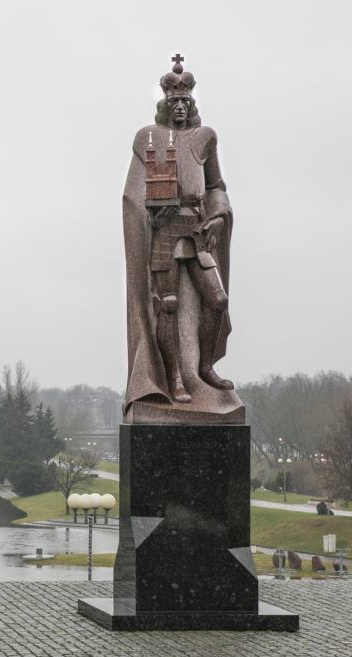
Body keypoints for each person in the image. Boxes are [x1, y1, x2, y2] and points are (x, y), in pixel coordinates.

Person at [122, 54, 242, 423]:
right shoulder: (148, 137)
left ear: (191, 104)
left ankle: (204, 367)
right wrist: (148, 213)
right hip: (164, 230)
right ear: (164, 104)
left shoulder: (206, 138)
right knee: (168, 305)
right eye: (173, 101)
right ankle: (174, 377)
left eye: (184, 102)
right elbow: (132, 194)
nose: (178, 107)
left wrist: (219, 214)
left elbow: (216, 185)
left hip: (196, 227)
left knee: (217, 300)